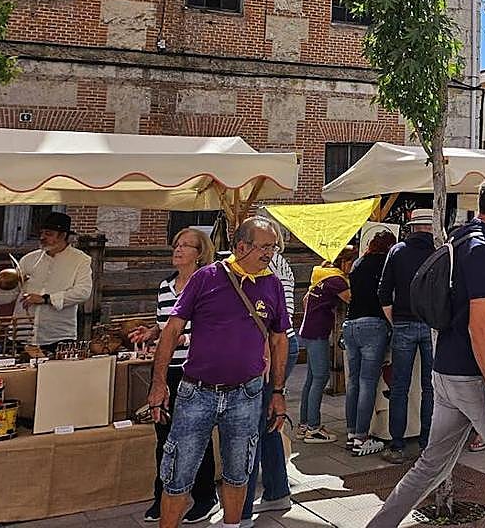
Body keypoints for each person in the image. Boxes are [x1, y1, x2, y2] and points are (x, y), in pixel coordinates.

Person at [366, 175, 485, 528]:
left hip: (444, 371)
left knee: (430, 466)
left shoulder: (458, 237)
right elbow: (479, 325)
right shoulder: (484, 249)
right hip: (474, 375)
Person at [147, 216, 290, 528]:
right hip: (196, 391)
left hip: (246, 393)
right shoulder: (206, 277)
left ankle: (232, 525)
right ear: (240, 247)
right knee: (178, 473)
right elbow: (171, 331)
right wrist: (159, 383)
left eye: (273, 247)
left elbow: (279, 339)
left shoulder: (272, 284)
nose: (270, 253)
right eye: (264, 247)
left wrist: (277, 392)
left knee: (239, 471)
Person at [129, 229, 219, 525]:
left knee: (197, 436)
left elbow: (214, 328)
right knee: (164, 437)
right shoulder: (165, 286)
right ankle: (163, 496)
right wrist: (152, 332)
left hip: (196, 371)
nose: (178, 250)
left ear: (200, 252)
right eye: (176, 245)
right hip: (168, 369)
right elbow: (164, 325)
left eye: (185, 246)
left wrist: (187, 340)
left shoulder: (209, 285)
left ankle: (206, 497)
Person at [0, 211, 92, 350]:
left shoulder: (80, 260)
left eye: (48, 234)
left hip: (57, 335)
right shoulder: (29, 259)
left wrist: (46, 299)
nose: (42, 237)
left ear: (63, 235)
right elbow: (14, 292)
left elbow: (83, 292)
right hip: (22, 334)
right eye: (41, 233)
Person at [243, 244, 299, 522]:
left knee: (253, 426)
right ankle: (277, 491)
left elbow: (274, 318)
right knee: (265, 425)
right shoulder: (274, 263)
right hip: (275, 344)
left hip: (272, 346)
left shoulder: (269, 265)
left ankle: (241, 505)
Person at [379, 208, 439, 464]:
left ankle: (397, 444)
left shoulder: (397, 251)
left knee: (399, 388)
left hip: (403, 323)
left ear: (412, 227)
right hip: (431, 325)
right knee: (431, 388)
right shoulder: (441, 251)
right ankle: (427, 444)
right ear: (432, 227)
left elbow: (383, 292)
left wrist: (395, 320)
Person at [344, 229, 394, 456]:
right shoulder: (386, 264)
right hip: (374, 324)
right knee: (367, 383)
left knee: (353, 382)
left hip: (351, 325)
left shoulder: (358, 263)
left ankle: (351, 433)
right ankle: (361, 438)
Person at [298, 262, 350, 444]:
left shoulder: (320, 275)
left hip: (309, 329)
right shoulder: (336, 280)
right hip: (318, 331)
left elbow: (305, 301)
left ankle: (304, 424)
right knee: (321, 377)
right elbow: (351, 299)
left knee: (312, 378)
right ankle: (313, 428)